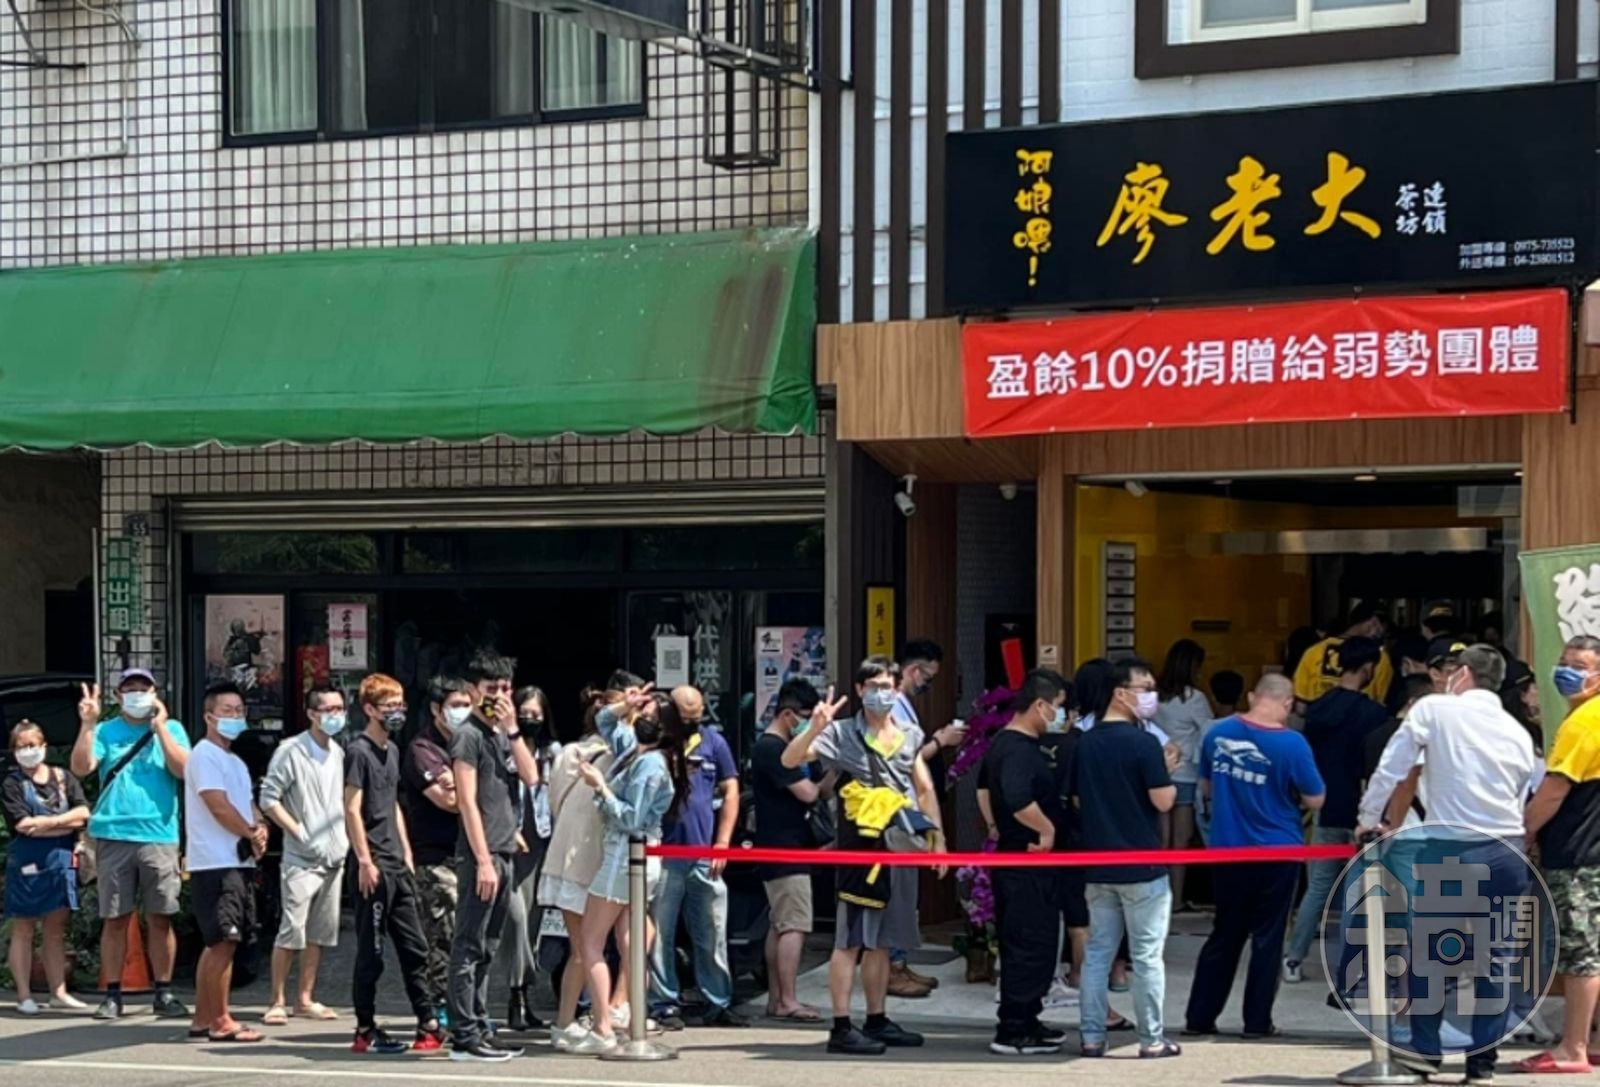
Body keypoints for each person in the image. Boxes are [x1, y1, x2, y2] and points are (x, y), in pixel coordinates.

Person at [1358, 644, 1536, 1084]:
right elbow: (1524, 789)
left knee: (1432, 956)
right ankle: (1482, 1064)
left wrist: (1368, 817)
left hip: (1451, 846)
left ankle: (1426, 1053)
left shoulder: (1434, 709)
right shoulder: (1516, 731)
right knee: (1497, 959)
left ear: (1463, 673)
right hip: (1507, 849)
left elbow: (1393, 767)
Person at [784, 657, 945, 1057]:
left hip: (900, 848)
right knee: (851, 940)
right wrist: (815, 728)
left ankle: (877, 1018)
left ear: (897, 689)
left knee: (884, 942)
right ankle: (841, 1026)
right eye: (872, 686)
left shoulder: (910, 734)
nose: (880, 694)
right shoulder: (841, 733)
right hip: (862, 851)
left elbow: (923, 788)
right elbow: (790, 759)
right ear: (859, 690)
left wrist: (938, 841)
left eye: (887, 686)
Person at [1186, 675, 1325, 1039]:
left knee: (1225, 934)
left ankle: (1199, 1017)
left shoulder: (1217, 734)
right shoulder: (1293, 743)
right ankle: (1257, 1022)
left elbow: (1206, 787)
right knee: (1268, 938)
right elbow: (1315, 798)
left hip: (1228, 849)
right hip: (1279, 851)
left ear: (1251, 696)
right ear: (1288, 704)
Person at [1071, 655, 1180, 1060]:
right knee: (1147, 956)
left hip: (1098, 865)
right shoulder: (1144, 743)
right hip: (1143, 867)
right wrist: (1166, 771)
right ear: (1120, 693)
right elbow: (1164, 801)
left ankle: (1091, 1036)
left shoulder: (1085, 742)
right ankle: (1152, 1039)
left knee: (1098, 953)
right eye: (1144, 689)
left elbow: (1077, 799)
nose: (1151, 696)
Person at [573, 686, 690, 1055]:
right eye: (642, 713)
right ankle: (627, 1014)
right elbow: (604, 721)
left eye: (650, 716)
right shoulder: (633, 750)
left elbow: (632, 818)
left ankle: (602, 1024)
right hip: (631, 858)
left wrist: (600, 787)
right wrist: (626, 703)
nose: (641, 720)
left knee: (591, 941)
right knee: (630, 939)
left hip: (625, 856)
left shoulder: (652, 764)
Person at [70, 669, 191, 1021]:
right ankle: (112, 994)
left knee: (161, 917)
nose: (137, 693)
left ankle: (164, 991)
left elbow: (183, 770)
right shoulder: (106, 731)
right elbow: (81, 767)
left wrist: (160, 727)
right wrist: (87, 724)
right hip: (113, 833)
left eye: (144, 687)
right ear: (118, 696)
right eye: (130, 688)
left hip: (158, 833)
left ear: (155, 693)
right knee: (115, 918)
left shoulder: (173, 729)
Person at [448, 651, 541, 1063]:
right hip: (481, 855)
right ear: (473, 691)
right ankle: (464, 1034)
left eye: (505, 688)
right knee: (468, 944)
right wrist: (483, 859)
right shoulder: (467, 735)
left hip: (505, 849)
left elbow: (532, 777)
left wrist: (513, 729)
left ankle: (482, 1024)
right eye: (491, 688)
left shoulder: (501, 734)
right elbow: (466, 801)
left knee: (488, 945)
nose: (500, 695)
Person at [345, 673, 444, 1055]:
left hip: (397, 865)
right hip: (373, 867)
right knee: (371, 953)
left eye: (400, 704)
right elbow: (351, 809)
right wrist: (364, 860)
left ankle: (428, 1022)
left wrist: (406, 852)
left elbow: (392, 805)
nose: (397, 712)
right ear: (370, 709)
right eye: (389, 706)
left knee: (415, 947)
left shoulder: (393, 750)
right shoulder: (359, 751)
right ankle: (365, 1028)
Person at [1283, 636, 1389, 984]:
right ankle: (1346, 966)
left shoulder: (1316, 709)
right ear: (1368, 668)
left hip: (1324, 806)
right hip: (1362, 811)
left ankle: (1293, 958)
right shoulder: (1374, 715)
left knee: (1317, 888)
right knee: (1355, 892)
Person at [1520, 635, 1600, 1073]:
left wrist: (1526, 827)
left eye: (1580, 666)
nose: (1567, 672)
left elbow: (1554, 789)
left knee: (1580, 953)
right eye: (1565, 662)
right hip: (1591, 849)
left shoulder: (1582, 723)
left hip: (1577, 853)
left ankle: (1573, 1048)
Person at [984, 669, 1072, 1056]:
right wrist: (1046, 829)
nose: (1060, 716)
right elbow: (1017, 796)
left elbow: (984, 790)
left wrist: (994, 826)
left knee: (1030, 942)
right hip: (1027, 861)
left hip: (1016, 857)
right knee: (1028, 945)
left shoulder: (1002, 744)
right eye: (1058, 707)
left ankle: (1027, 1017)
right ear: (1040, 705)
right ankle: (1014, 1029)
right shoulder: (1018, 749)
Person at [649, 684, 746, 1028]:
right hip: (663, 852)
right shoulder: (656, 743)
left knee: (712, 930)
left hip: (705, 853)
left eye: (697, 715)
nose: (692, 722)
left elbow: (731, 790)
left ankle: (717, 1000)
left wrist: (723, 843)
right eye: (685, 717)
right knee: (659, 933)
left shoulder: (713, 742)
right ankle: (663, 1003)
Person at [259, 685, 350, 1025]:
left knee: (319, 933)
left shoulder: (338, 752)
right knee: (291, 929)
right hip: (300, 858)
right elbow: (269, 798)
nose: (335, 715)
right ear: (311, 714)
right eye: (328, 710)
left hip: (334, 856)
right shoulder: (291, 750)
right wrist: (297, 831)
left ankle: (305, 998)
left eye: (340, 708)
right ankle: (277, 1000)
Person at [184, 683, 268, 1043]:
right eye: (227, 710)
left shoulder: (235, 761)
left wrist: (260, 829)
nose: (235, 717)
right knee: (223, 941)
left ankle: (203, 1019)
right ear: (209, 716)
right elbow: (218, 805)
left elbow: (248, 805)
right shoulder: (204, 755)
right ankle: (220, 1020)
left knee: (223, 942)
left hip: (238, 862)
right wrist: (249, 831)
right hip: (214, 863)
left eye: (239, 710)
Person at [539, 684, 617, 1051]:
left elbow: (555, 802)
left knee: (583, 949)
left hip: (575, 859)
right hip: (593, 861)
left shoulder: (571, 753)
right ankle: (600, 1023)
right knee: (589, 948)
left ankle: (567, 1022)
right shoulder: (612, 758)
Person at [889, 638, 963, 998]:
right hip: (896, 812)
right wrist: (940, 741)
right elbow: (908, 759)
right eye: (928, 678)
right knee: (897, 893)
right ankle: (892, 966)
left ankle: (900, 961)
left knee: (907, 893)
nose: (927, 685)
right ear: (913, 670)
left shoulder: (904, 706)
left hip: (908, 812)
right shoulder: (893, 707)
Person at [4, 721, 90, 1014]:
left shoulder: (63, 777)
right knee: (24, 927)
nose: (28, 751)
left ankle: (59, 992)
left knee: (55, 928)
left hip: (61, 859)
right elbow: (24, 825)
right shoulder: (12, 784)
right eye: (21, 746)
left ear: (44, 746)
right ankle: (24, 995)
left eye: (33, 745)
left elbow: (83, 813)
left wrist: (48, 823)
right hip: (27, 860)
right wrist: (64, 823)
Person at [751, 678, 823, 1022]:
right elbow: (808, 793)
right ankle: (787, 1000)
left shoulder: (777, 746)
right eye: (806, 718)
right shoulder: (772, 749)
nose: (808, 725)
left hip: (783, 845)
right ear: (788, 715)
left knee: (779, 924)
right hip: (784, 847)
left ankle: (777, 998)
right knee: (794, 924)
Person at [402, 676, 471, 1029]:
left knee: (469, 939)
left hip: (469, 855)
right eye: (456, 705)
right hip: (436, 860)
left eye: (467, 705)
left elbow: (490, 790)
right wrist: (464, 789)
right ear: (436, 708)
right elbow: (449, 802)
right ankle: (437, 1012)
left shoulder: (470, 742)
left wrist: (460, 783)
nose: (463, 712)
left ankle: (465, 1010)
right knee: (442, 937)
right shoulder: (422, 749)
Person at [502, 686, 558, 1033]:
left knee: (534, 924)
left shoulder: (553, 752)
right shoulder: (502, 745)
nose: (530, 719)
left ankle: (523, 995)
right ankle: (515, 995)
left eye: (536, 714)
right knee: (517, 921)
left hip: (542, 843)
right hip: (510, 843)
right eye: (525, 713)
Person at [1153, 639, 1212, 910]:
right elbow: (1208, 732)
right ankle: (1175, 900)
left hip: (1158, 772)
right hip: (1186, 772)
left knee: (1161, 842)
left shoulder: (1155, 696)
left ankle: (1157, 900)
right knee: (1180, 843)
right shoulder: (1194, 698)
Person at [1293, 602, 1392, 707]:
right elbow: (1381, 703)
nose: (1383, 634)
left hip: (1317, 716)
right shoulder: (1378, 658)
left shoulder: (1314, 651)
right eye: (1384, 629)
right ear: (1373, 622)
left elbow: (1300, 705)